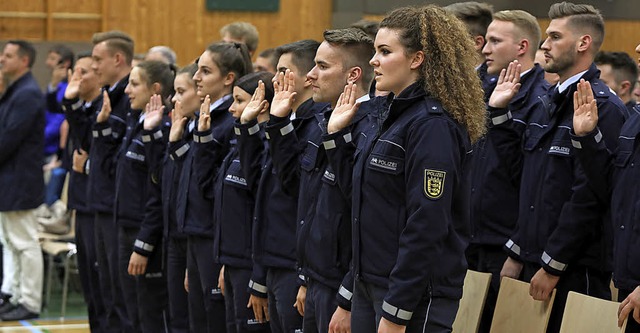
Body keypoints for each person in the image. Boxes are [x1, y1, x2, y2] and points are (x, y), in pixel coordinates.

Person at [325, 5, 486, 332]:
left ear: (417, 59)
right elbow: (358, 199)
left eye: (385, 51)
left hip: (414, 293)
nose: (374, 60)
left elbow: (427, 223)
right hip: (370, 282)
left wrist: (398, 310)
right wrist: (337, 138)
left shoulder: (432, 126)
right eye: (375, 51)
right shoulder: (388, 116)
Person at [494, 2, 628, 332]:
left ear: (583, 43)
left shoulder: (602, 106)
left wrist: (553, 264)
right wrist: (499, 116)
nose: (544, 44)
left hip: (573, 267)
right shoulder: (549, 101)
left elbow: (590, 196)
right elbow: (524, 182)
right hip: (533, 260)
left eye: (555, 36)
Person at [283, 28, 374, 333]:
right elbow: (302, 197)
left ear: (353, 75)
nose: (310, 76)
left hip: (345, 288)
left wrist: (348, 297)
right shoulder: (322, 120)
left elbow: (365, 219)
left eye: (322, 66)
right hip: (317, 281)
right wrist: (306, 279)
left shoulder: (371, 127)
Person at [237, 39, 326, 333]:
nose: (274, 80)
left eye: (283, 72)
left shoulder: (315, 125)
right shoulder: (286, 121)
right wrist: (249, 129)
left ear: (307, 76)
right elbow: (257, 184)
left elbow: (294, 187)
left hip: (294, 263)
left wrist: (279, 125)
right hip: (274, 259)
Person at [470, 10, 548, 332]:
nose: (485, 49)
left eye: (494, 41)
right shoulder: (484, 90)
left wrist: (516, 249)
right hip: (471, 239)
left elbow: (534, 183)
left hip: (505, 246)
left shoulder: (540, 99)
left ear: (522, 47)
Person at [173, 41, 251, 333]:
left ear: (228, 78)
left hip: (215, 239)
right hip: (196, 234)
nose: (196, 77)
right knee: (198, 320)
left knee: (214, 320)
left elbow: (220, 193)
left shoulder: (230, 124)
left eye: (205, 71)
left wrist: (222, 258)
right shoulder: (203, 119)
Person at [94, 60, 174, 332]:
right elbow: (111, 172)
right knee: (127, 309)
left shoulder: (159, 129)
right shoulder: (136, 124)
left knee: (149, 314)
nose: (127, 90)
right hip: (125, 227)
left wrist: (144, 243)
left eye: (134, 83)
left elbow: (158, 191)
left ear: (155, 88)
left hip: (144, 232)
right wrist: (102, 127)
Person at [75, 30, 135, 332]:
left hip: (117, 206)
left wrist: (90, 166)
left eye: (98, 60)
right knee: (103, 288)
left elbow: (119, 161)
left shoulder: (128, 99)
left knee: (119, 295)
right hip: (99, 201)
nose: (94, 66)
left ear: (118, 58)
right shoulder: (107, 96)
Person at [215, 71, 274, 333]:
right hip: (234, 263)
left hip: (252, 267)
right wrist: (225, 262)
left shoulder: (264, 146)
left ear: (261, 104)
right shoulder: (241, 143)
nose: (231, 107)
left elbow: (264, 216)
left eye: (239, 100)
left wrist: (258, 277)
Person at [0, 40, 45, 321]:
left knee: (25, 242)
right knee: (12, 242)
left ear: (24, 61)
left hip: (20, 180)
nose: (2, 60)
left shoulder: (27, 93)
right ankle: (15, 294)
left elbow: (8, 140)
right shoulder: (15, 91)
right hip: (9, 179)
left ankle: (29, 299)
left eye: (8, 55)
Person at [63, 51, 107, 332]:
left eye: (85, 72)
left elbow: (93, 153)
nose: (78, 78)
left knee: (102, 283)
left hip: (100, 206)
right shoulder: (83, 108)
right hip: (82, 201)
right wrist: (70, 101)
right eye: (75, 72)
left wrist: (88, 164)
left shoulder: (105, 107)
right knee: (90, 283)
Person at [156, 63, 200, 333]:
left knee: (191, 319)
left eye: (181, 91)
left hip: (193, 237)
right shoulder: (182, 127)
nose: (174, 99)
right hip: (173, 233)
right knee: (175, 317)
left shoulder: (206, 132)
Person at [444, 1, 496, 100]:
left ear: (476, 43)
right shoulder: (442, 79)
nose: (440, 42)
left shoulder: (495, 87)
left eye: (449, 36)